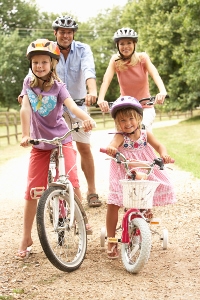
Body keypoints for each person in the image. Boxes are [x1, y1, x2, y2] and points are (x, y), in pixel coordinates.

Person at [16, 39, 95, 259]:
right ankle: (26, 236)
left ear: (52, 64)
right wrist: (25, 134)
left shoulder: (59, 87)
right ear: (31, 64)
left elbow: (72, 107)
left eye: (43, 62)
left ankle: (81, 217)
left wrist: (87, 119)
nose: (39, 66)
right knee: (32, 190)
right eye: (35, 62)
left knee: (72, 178)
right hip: (39, 144)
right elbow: (25, 109)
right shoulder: (28, 83)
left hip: (61, 139)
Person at [103, 96, 176, 259]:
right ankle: (111, 239)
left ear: (139, 118)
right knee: (113, 203)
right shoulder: (120, 136)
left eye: (131, 118)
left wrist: (164, 154)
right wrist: (111, 149)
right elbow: (113, 144)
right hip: (124, 170)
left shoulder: (145, 134)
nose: (127, 123)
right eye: (122, 120)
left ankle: (144, 212)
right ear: (117, 123)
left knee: (147, 189)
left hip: (143, 168)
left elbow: (159, 145)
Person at [52, 15, 101, 207]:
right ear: (55, 33)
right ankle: (57, 190)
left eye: (69, 32)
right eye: (62, 32)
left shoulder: (83, 49)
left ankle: (91, 190)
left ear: (73, 34)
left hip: (79, 107)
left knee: (84, 148)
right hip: (55, 108)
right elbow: (36, 69)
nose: (66, 35)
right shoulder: (49, 49)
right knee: (58, 149)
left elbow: (89, 70)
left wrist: (93, 91)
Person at [97, 27, 167, 132]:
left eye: (129, 43)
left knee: (143, 131)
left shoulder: (142, 58)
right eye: (122, 44)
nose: (125, 46)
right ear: (117, 45)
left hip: (145, 107)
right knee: (120, 136)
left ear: (134, 44)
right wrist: (101, 99)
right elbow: (106, 80)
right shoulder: (115, 60)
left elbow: (155, 74)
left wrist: (162, 91)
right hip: (126, 107)